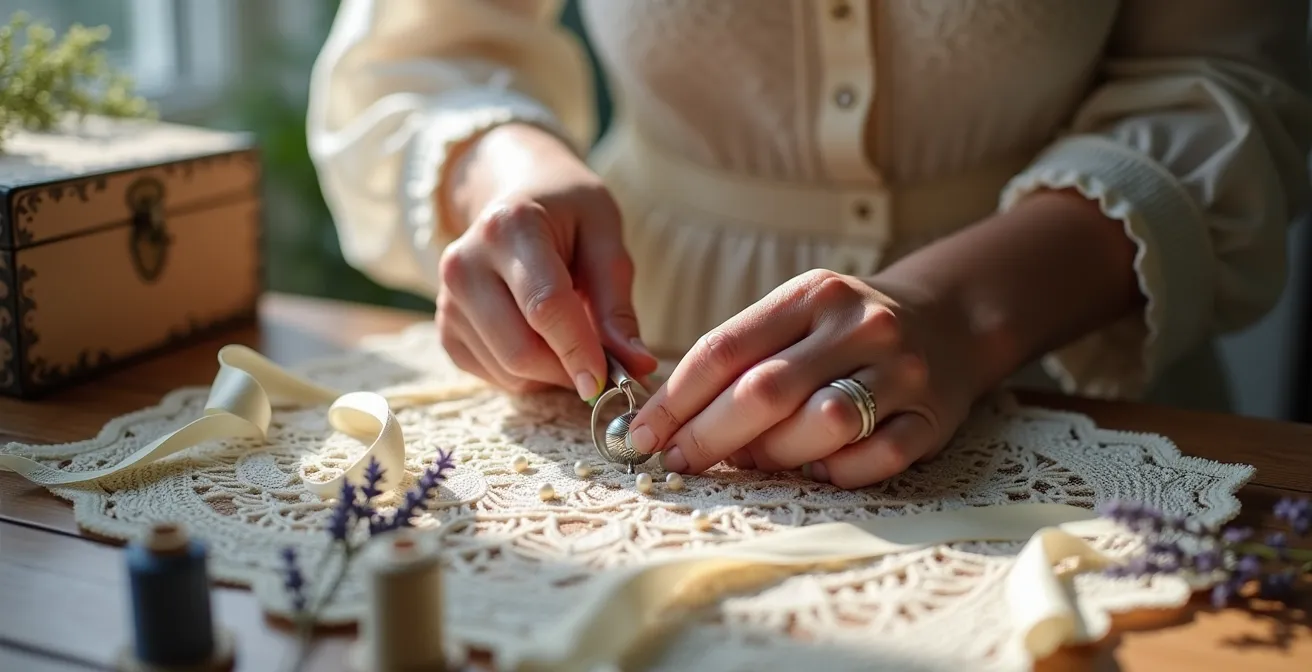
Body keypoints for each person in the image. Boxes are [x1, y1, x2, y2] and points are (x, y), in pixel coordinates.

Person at [307, 0, 1312, 489]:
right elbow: (426, 51)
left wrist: (961, 312)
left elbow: (1230, 83)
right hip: (642, 330)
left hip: (1072, 354)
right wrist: (510, 174)